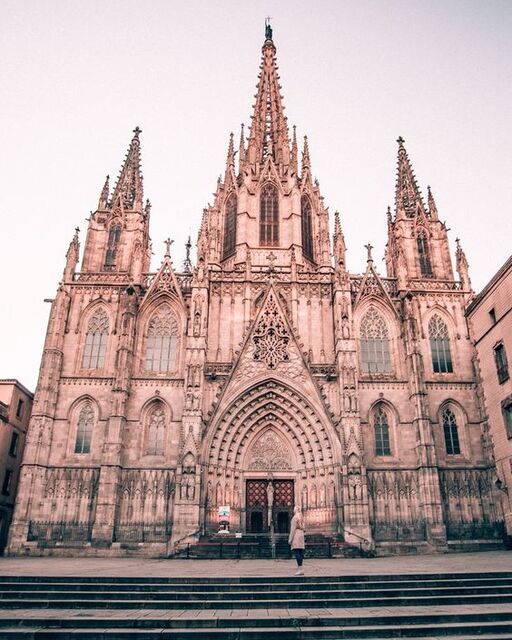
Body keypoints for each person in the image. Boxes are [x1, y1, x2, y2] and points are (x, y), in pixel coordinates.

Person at [288, 505, 305, 575]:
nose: (293, 509)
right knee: (300, 552)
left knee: (297, 552)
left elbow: (292, 529)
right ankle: (301, 568)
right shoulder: (301, 517)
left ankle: (300, 569)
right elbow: (304, 527)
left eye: (294, 508)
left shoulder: (295, 518)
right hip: (301, 535)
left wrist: (290, 539)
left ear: (296, 510)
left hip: (296, 536)